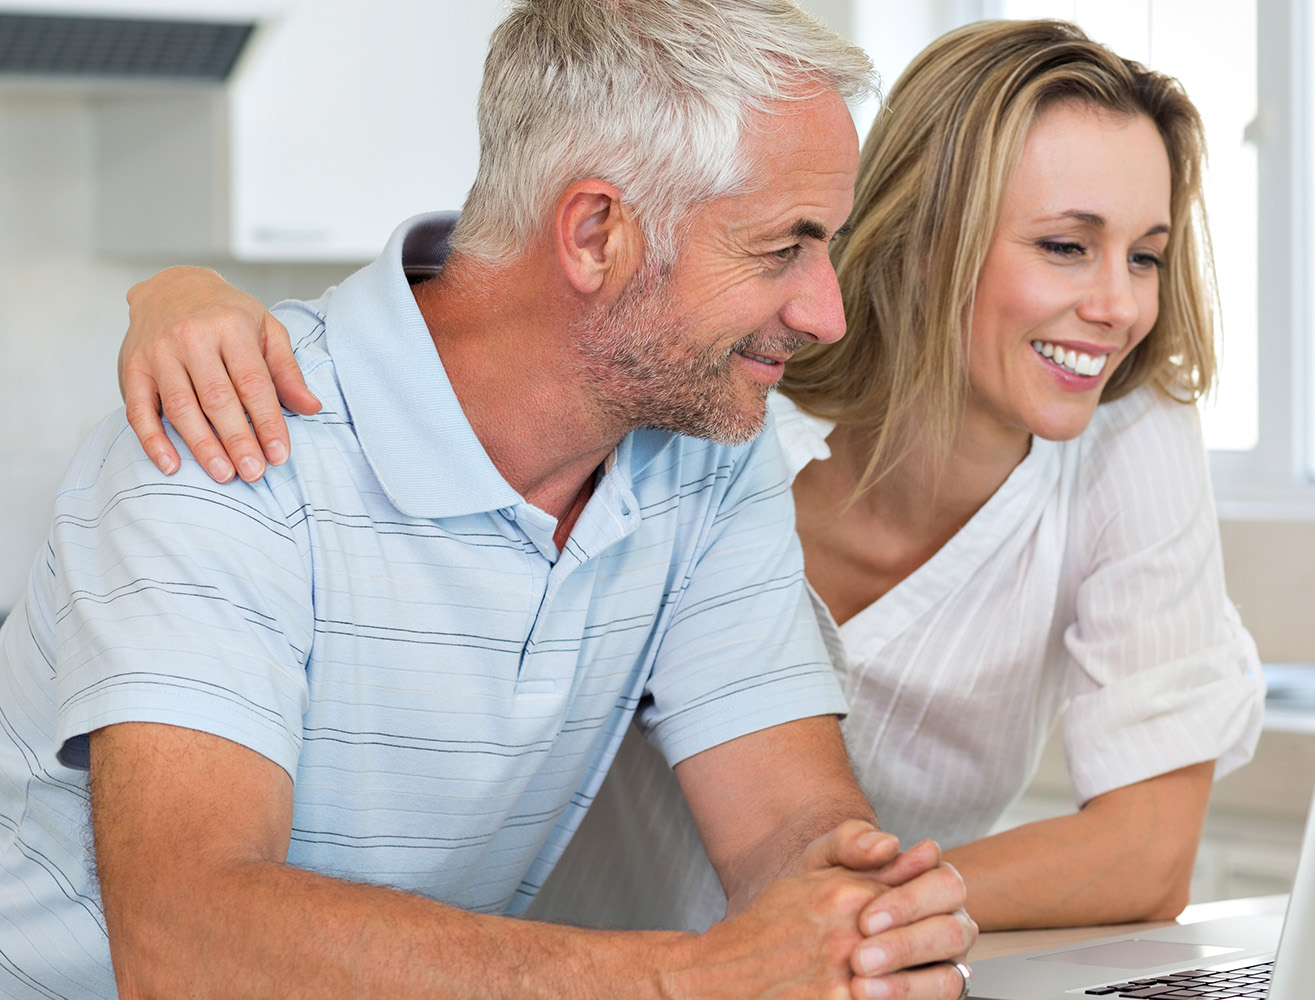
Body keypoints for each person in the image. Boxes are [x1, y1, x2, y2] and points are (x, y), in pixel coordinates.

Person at [114, 19, 1264, 936]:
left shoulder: (713, 447)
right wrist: (176, 288)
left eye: (1147, 254)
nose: (1117, 302)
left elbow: (804, 833)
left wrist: (838, 920)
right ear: (927, 238)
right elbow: (195, 928)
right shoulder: (710, 406)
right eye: (1064, 245)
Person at [0, 2, 976, 998]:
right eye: (784, 247)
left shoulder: (707, 452)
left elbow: (786, 824)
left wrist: (868, 917)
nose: (826, 312)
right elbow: (185, 942)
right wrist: (687, 979)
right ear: (596, 232)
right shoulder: (230, 429)